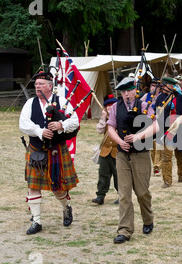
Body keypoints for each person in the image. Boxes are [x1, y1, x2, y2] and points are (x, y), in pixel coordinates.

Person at [19, 71, 79, 235]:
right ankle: (36, 221)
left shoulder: (61, 101)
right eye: (36, 84)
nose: (37, 86)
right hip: (36, 149)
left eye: (41, 84)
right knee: (33, 185)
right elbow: (23, 124)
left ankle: (66, 208)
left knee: (57, 187)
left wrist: (61, 125)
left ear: (50, 86)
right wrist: (39, 131)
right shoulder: (30, 103)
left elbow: (75, 121)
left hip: (56, 149)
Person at [107, 77, 160, 244]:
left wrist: (138, 136)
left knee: (142, 193)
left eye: (129, 90)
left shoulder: (145, 106)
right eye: (123, 92)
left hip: (141, 154)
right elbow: (110, 127)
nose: (126, 94)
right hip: (123, 155)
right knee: (124, 194)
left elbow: (156, 126)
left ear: (134, 90)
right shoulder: (116, 107)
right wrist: (120, 141)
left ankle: (148, 219)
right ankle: (125, 230)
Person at [155, 77, 182, 187]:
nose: (163, 88)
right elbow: (158, 116)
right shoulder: (160, 98)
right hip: (167, 131)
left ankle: (181, 175)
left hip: (180, 130)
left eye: (166, 85)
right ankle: (167, 181)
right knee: (166, 157)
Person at [92, 94, 119, 206]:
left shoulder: (119, 117)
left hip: (117, 151)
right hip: (105, 150)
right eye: (108, 106)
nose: (110, 107)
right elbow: (99, 130)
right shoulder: (105, 119)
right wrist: (103, 117)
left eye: (112, 105)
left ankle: (122, 195)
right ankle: (100, 196)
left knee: (119, 175)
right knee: (103, 174)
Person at [141, 78, 163, 176]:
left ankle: (157, 167)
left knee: (158, 145)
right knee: (152, 147)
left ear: (159, 88)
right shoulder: (146, 96)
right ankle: (155, 164)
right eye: (152, 86)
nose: (153, 88)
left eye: (156, 86)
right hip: (148, 124)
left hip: (159, 123)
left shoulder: (162, 97)